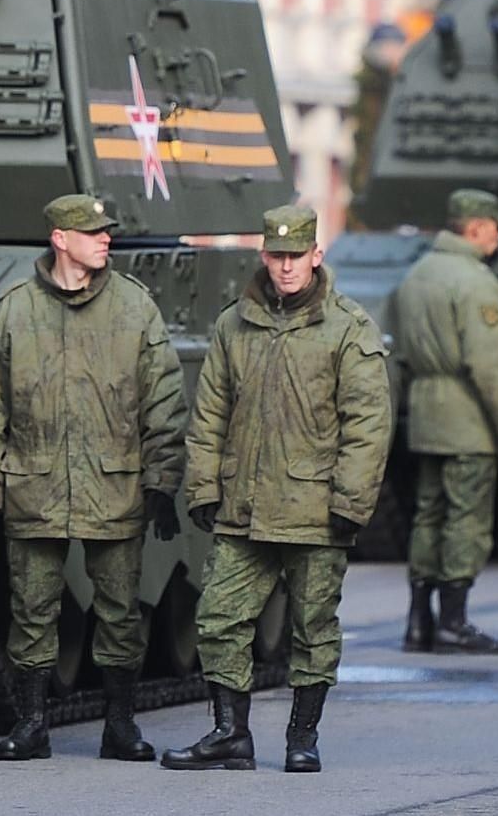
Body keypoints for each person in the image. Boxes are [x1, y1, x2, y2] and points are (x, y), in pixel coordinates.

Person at [165, 204, 390, 775]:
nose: (285, 267)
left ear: (316, 256)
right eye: (276, 256)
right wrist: (203, 488)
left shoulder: (347, 327)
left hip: (316, 510)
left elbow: (367, 425)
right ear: (263, 255)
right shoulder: (234, 324)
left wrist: (350, 503)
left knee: (313, 628)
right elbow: (209, 413)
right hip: (244, 508)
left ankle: (302, 736)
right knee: (218, 620)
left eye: (296, 256)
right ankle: (229, 734)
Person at [0, 192, 187, 763]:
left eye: (106, 230)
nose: (105, 238)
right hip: (34, 485)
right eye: (91, 232)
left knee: (120, 611)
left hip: (114, 487)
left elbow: (165, 401)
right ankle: (31, 722)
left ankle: (121, 724)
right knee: (31, 611)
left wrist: (162, 483)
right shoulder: (13, 310)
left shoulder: (135, 308)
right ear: (60, 239)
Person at [386, 186, 498, 654]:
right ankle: (454, 621)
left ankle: (418, 621)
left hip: (427, 416)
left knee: (428, 515)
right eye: (494, 228)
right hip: (467, 417)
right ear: (475, 228)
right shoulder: (476, 282)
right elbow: (489, 366)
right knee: (466, 519)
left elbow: (400, 356)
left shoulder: (415, 276)